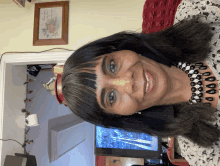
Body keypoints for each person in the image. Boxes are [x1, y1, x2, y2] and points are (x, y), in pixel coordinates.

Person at [61, 0, 220, 165]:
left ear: (120, 48)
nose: (126, 82)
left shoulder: (196, 12)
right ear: (121, 116)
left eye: (112, 66)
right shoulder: (200, 152)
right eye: (112, 97)